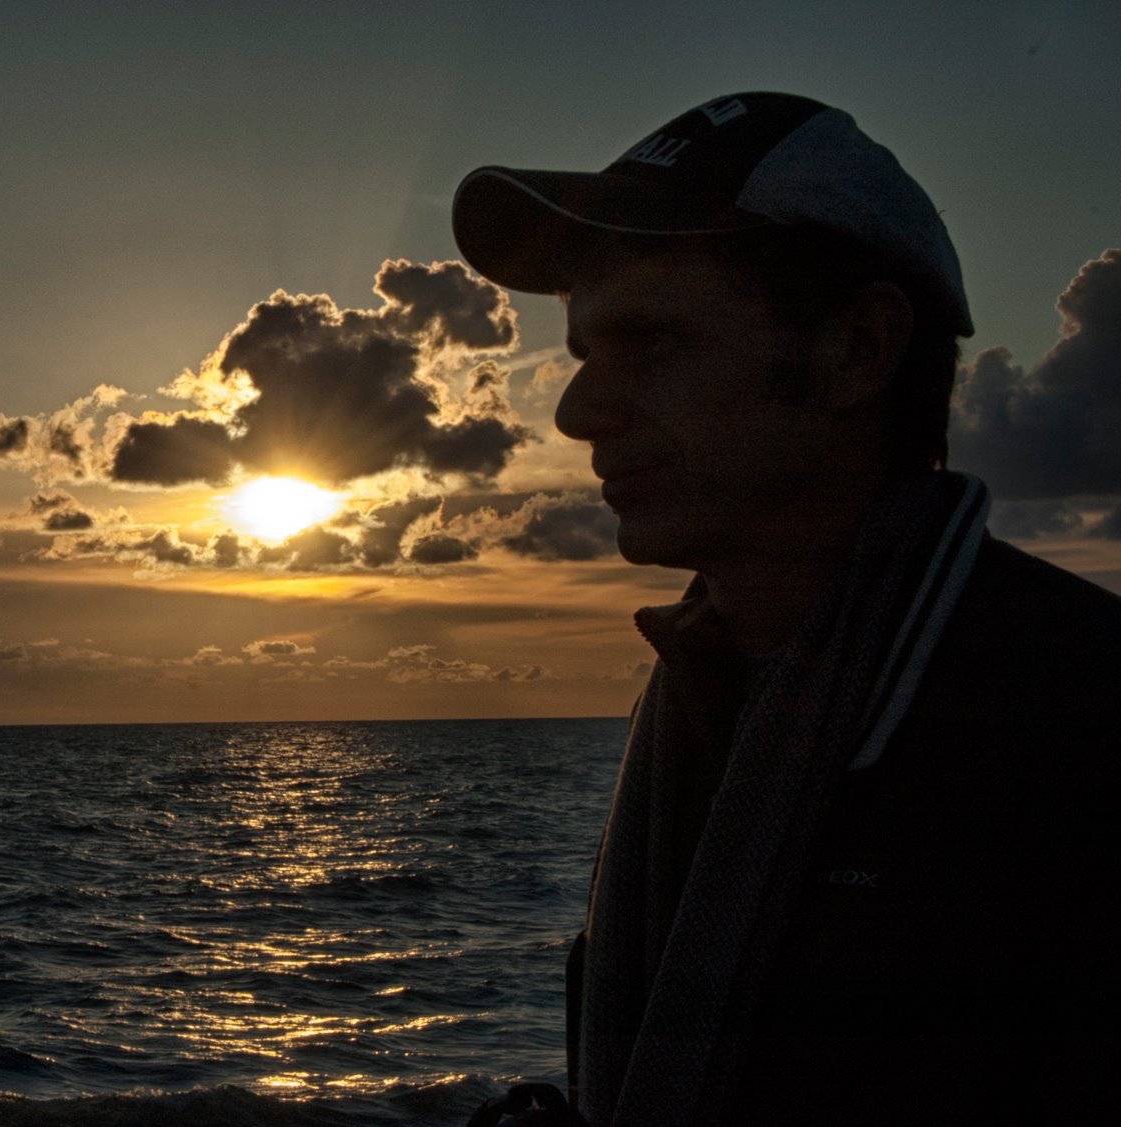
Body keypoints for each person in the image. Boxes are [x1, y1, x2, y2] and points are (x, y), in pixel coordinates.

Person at [448, 92, 1121, 1125]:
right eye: (585, 353)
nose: (576, 412)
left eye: (653, 342)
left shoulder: (1078, 727)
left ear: (855, 349)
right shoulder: (699, 704)